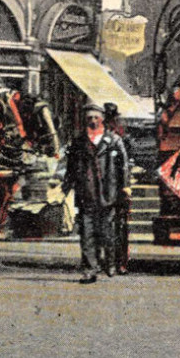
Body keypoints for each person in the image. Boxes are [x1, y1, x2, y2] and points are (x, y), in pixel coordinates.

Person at [64, 103, 114, 283]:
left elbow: (122, 165)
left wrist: (124, 187)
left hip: (107, 195)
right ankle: (89, 270)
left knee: (106, 233)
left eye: (96, 118)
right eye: (89, 118)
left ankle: (108, 262)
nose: (93, 121)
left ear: (102, 119)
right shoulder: (79, 142)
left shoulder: (112, 141)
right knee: (87, 234)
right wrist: (65, 188)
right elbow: (70, 168)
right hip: (86, 194)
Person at [101, 102, 134, 274]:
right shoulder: (102, 136)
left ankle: (120, 262)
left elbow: (125, 166)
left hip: (118, 187)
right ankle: (110, 262)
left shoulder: (122, 137)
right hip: (106, 188)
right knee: (108, 227)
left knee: (120, 227)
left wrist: (126, 188)